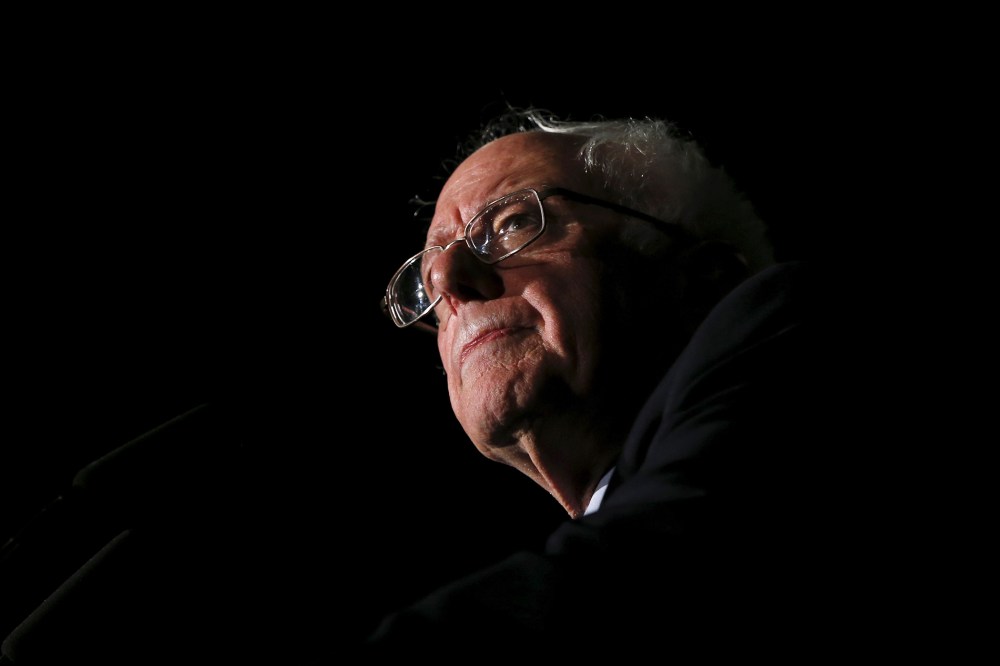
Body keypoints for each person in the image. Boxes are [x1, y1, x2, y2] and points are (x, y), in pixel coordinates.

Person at [364, 107, 886, 657]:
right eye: (427, 281)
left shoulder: (788, 327)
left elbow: (676, 557)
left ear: (703, 280)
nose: (448, 282)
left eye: (513, 222)